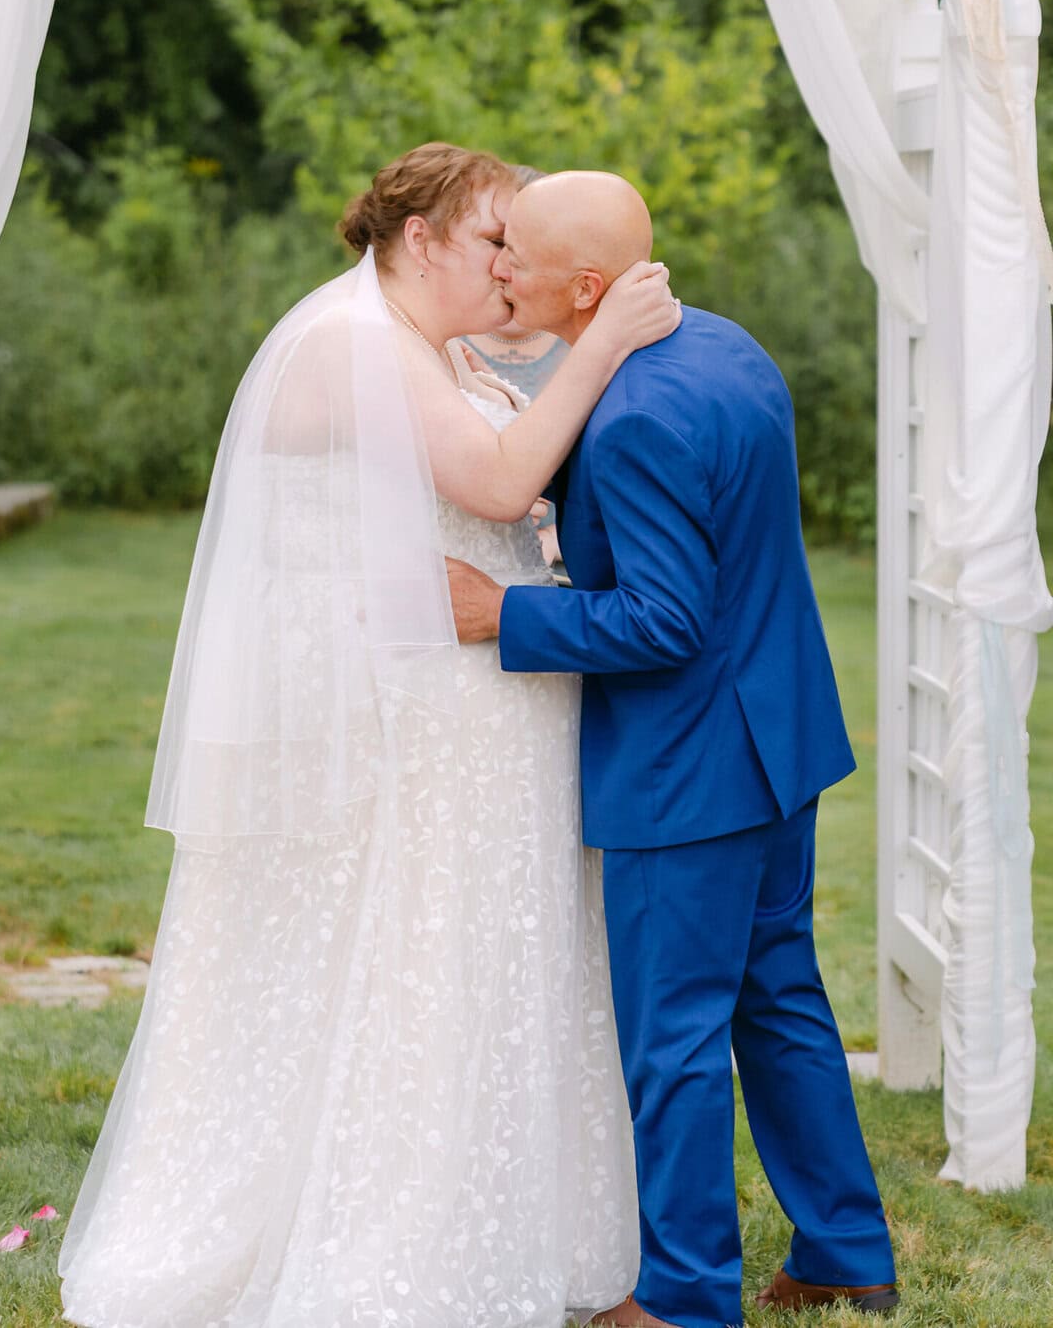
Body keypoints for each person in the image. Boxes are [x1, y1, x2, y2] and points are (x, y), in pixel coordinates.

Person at [58, 144, 682, 1328]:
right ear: (421, 237)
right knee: (409, 956)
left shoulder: (433, 346)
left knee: (468, 955)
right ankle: (391, 1236)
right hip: (401, 719)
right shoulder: (350, 343)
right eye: (494, 240)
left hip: (468, 698)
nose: (510, 266)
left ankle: (513, 1218)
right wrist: (602, 342)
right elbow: (496, 485)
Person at [447, 171, 899, 1328]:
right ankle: (846, 1251)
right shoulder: (726, 348)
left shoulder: (637, 414)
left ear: (585, 287)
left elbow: (664, 620)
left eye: (518, 254)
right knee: (779, 1000)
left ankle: (687, 1299)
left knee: (676, 1039)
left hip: (688, 771)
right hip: (776, 739)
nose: (500, 266)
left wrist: (503, 615)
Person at [463, 166, 568, 569]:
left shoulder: (584, 344)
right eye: (498, 243)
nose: (505, 263)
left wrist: (559, 538)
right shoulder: (448, 340)